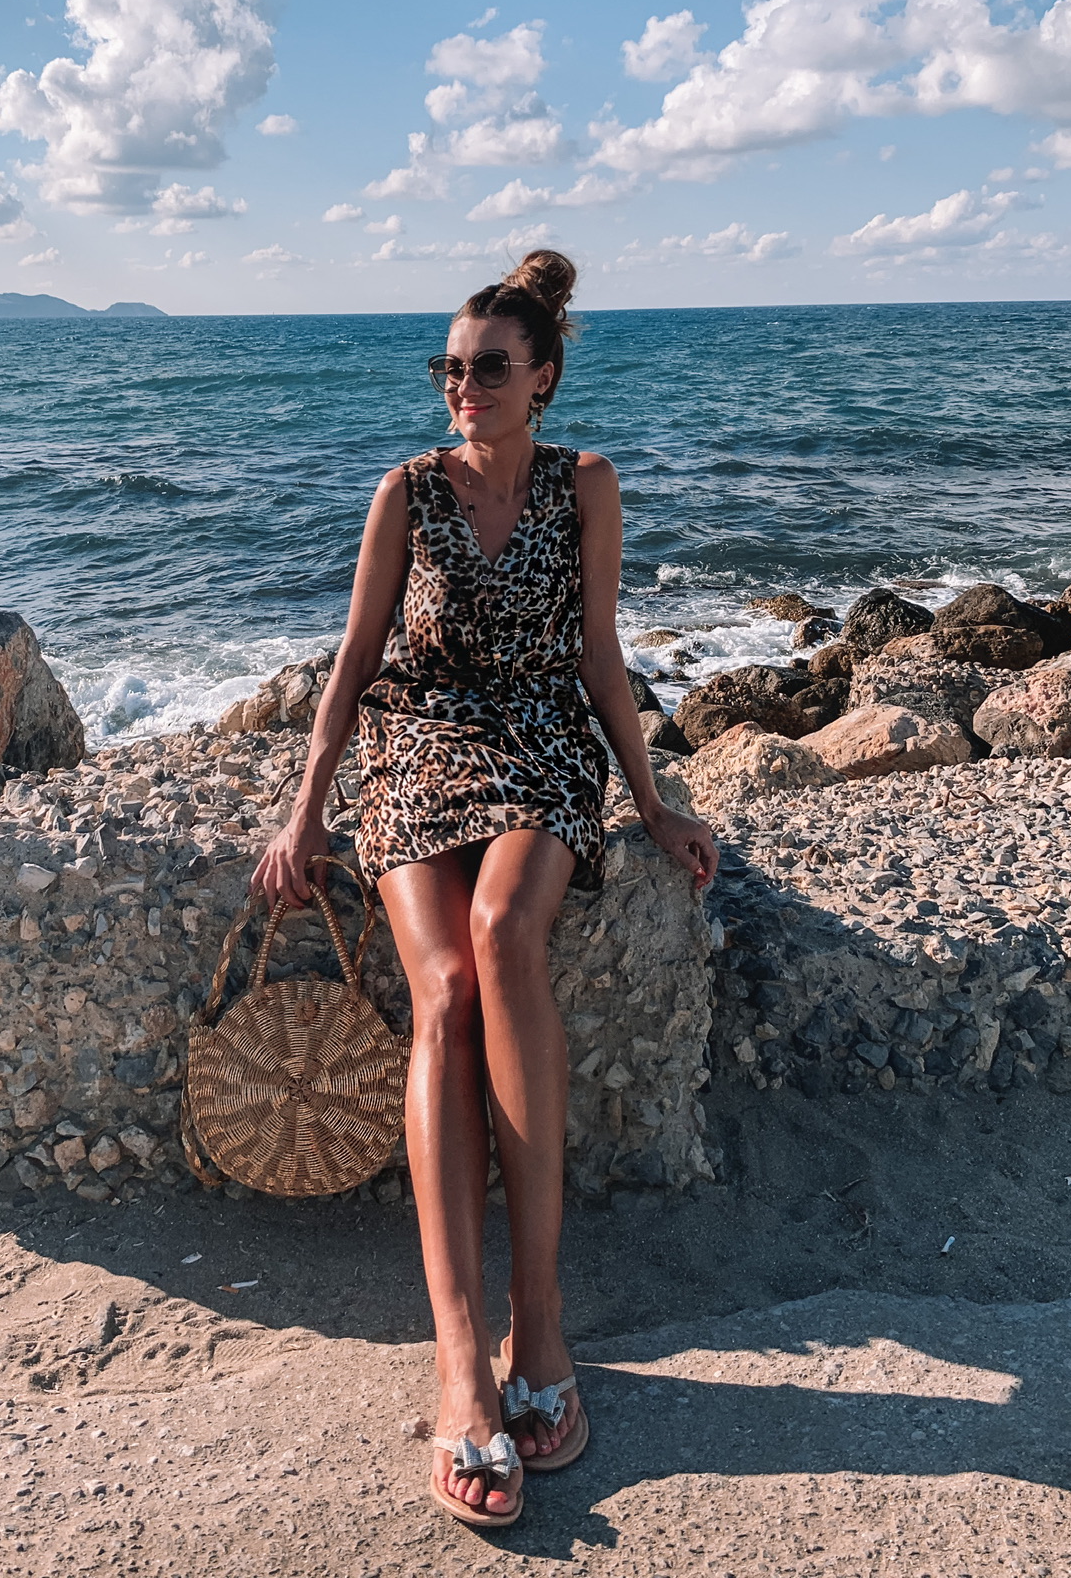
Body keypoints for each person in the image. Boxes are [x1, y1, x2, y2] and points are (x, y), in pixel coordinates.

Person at [252, 249, 718, 1528]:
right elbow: (351, 663)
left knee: (509, 928)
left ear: (544, 378)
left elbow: (601, 654)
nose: (464, 387)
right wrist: (303, 814)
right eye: (450, 368)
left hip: (545, 745)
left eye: (489, 368)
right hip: (418, 746)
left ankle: (543, 1325)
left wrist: (653, 799)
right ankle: (463, 1359)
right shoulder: (406, 489)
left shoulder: (586, 486)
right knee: (445, 983)